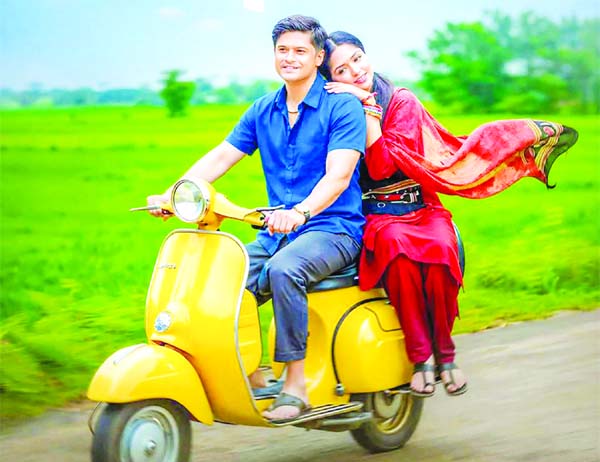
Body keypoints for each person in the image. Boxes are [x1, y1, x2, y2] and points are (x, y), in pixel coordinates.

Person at [320, 31, 578, 397]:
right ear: (331, 80)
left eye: (357, 59)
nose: (355, 71)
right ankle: (421, 358)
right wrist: (361, 107)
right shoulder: (337, 109)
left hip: (421, 207)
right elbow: (375, 172)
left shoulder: (401, 101)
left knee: (442, 252)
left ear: (367, 55)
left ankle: (446, 354)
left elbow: (386, 165)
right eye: (342, 70)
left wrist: (371, 109)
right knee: (398, 256)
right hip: (378, 214)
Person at [147, 17, 366, 421]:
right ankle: (251, 375)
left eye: (300, 50)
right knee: (221, 280)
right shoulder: (264, 109)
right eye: (282, 50)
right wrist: (173, 194)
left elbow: (338, 176)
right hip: (275, 232)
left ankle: (296, 386)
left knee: (285, 270)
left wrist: (300, 211)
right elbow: (221, 156)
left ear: (319, 56)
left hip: (333, 229)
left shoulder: (342, 106)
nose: (289, 58)